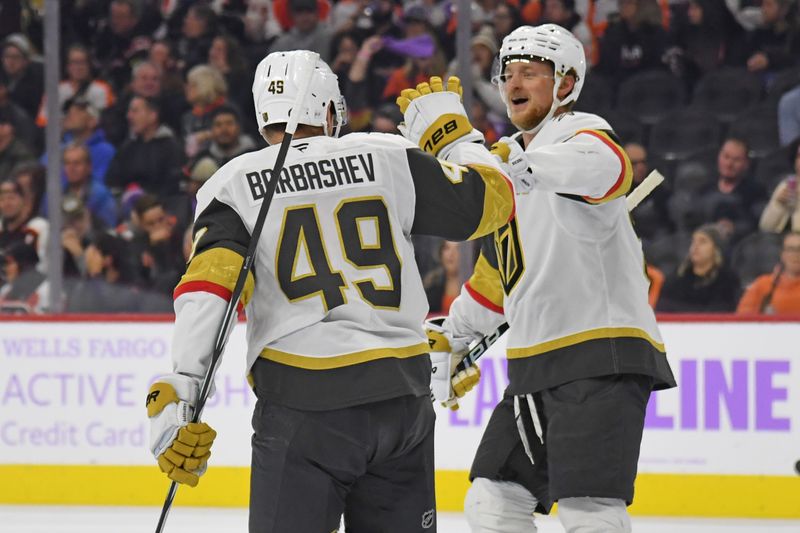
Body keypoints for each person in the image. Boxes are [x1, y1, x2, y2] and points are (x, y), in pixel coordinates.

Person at [145, 50, 514, 533]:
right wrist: (454, 137)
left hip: (305, 411)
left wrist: (182, 389)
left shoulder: (233, 184)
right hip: (403, 401)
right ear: (327, 110)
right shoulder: (388, 155)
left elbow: (211, 291)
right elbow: (492, 201)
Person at [422, 24, 676, 532]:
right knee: (493, 503)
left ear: (565, 84)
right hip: (536, 366)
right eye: (507, 72)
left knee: (589, 511)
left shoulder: (580, 136)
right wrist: (453, 336)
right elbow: (500, 278)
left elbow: (608, 169)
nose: (514, 82)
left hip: (599, 353)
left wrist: (505, 163)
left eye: (531, 72)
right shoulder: (511, 167)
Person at [656, 224, 741, 312]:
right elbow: (662, 307)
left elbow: (722, 311)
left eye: (703, 241)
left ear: (716, 249)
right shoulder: (677, 276)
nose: (695, 246)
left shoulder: (727, 279)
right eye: (693, 242)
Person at [737, 231, 800, 314]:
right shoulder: (763, 284)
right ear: (782, 254)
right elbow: (742, 318)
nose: (796, 254)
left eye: (799, 249)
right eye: (790, 249)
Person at [759, 140, 800, 233]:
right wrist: (778, 204)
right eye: (799, 156)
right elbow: (765, 227)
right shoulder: (785, 185)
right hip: (779, 243)